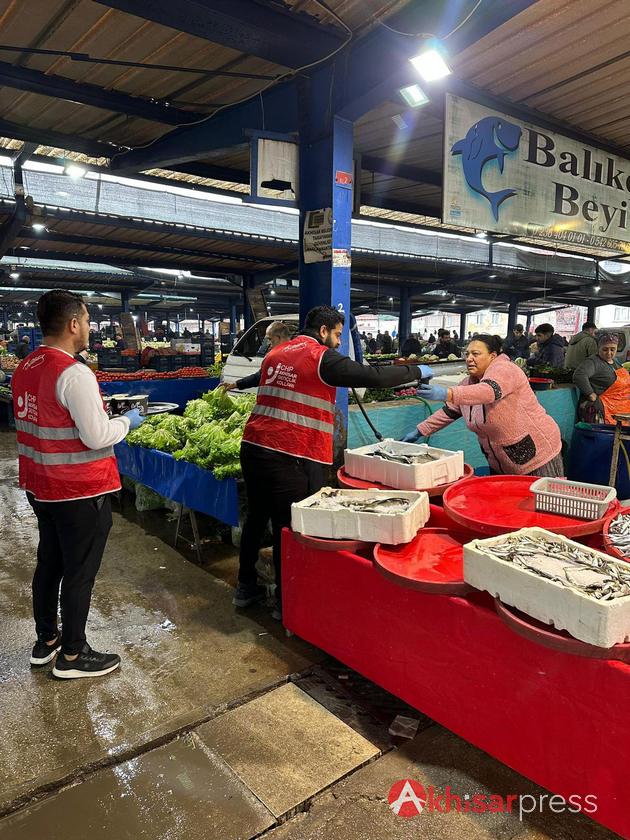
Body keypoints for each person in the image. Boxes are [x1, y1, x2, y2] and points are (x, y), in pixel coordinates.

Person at [234, 305, 432, 621]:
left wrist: (236, 385)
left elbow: (260, 378)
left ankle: (245, 588)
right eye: (338, 335)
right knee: (289, 528)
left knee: (256, 518)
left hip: (253, 447)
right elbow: (373, 376)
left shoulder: (277, 353)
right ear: (323, 331)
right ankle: (287, 605)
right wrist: (416, 371)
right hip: (289, 454)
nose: (340, 342)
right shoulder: (320, 357)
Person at [12, 290, 145, 679]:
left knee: (49, 563)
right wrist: (127, 422)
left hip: (41, 486)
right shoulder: (73, 372)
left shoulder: (26, 366)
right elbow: (96, 435)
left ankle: (47, 640)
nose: (88, 327)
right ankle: (73, 655)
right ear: (73, 324)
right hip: (79, 491)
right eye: (86, 321)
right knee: (79, 572)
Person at [402, 334, 563, 476]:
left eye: (476, 354)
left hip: (538, 455)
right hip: (502, 460)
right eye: (467, 354)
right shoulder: (468, 383)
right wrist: (419, 431)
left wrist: (447, 393)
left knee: (541, 499)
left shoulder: (506, 369)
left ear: (493, 356)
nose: (469, 358)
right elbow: (449, 411)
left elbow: (489, 391)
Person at [573, 332, 630, 424]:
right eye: (605, 349)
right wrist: (590, 393)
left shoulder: (615, 362)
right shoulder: (593, 362)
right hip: (604, 409)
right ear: (598, 348)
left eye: (612, 349)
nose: (609, 353)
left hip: (620, 408)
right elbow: (579, 375)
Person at [222, 322, 291, 391]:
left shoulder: (293, 357)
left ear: (278, 338)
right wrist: (235, 384)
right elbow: (259, 377)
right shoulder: (276, 357)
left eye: (270, 339)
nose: (269, 344)